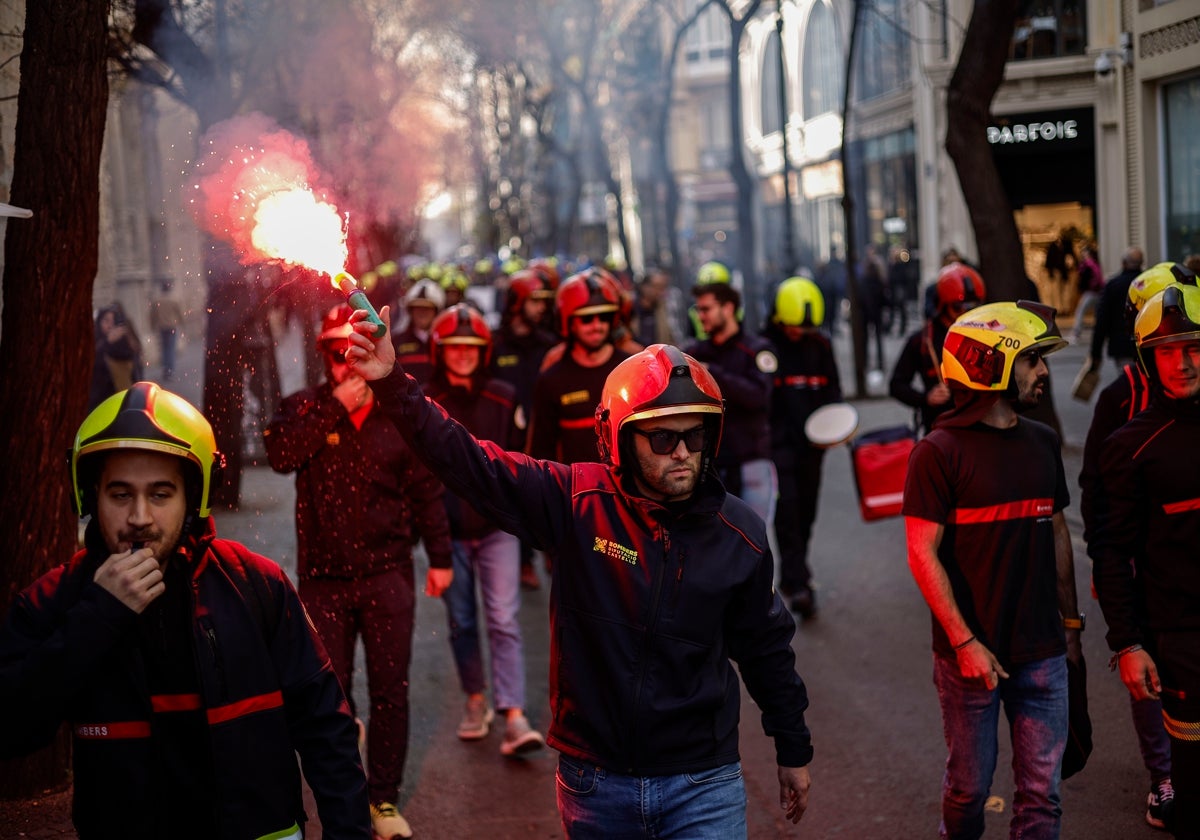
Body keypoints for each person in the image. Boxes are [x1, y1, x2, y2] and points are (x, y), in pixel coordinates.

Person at [347, 317, 814, 836]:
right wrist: (391, 381)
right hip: (596, 782)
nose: (682, 452)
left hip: (703, 783)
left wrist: (793, 748)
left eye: (694, 435)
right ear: (622, 437)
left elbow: (767, 649)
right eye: (661, 437)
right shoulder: (575, 502)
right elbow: (470, 461)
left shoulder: (740, 532)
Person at [0, 382, 369, 839]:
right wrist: (97, 617)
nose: (139, 517)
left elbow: (326, 730)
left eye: (160, 494)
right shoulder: (57, 599)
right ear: (91, 496)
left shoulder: (256, 584)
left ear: (193, 498)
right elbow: (11, 729)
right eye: (119, 494)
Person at [264, 305, 454, 840]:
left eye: (356, 351)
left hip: (387, 574)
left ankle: (384, 800)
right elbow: (280, 455)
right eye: (336, 352)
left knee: (391, 688)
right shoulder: (303, 408)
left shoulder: (398, 413)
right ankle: (345, 803)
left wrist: (439, 558)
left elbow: (426, 490)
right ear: (325, 356)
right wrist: (333, 410)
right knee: (331, 692)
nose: (347, 363)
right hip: (323, 578)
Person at [903, 300, 1082, 839]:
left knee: (1040, 796)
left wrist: (1071, 631)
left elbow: (1055, 535)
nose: (1043, 372)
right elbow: (921, 552)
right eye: (1031, 361)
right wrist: (964, 642)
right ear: (993, 367)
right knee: (969, 790)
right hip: (968, 660)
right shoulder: (937, 453)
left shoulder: (1043, 442)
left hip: (1043, 653)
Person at [1080, 264, 1196, 832]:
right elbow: (1099, 506)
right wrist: (1124, 637)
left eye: (1192, 345)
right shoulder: (1123, 412)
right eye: (1168, 349)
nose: (1183, 361)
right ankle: (1164, 778)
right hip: (1164, 607)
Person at [426, 304, 546, 756]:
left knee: (504, 618)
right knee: (461, 622)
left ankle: (513, 714)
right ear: (441, 351)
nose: (462, 356)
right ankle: (475, 700)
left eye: (471, 348)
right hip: (450, 530)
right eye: (454, 348)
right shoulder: (426, 400)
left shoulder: (503, 395)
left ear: (484, 352)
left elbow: (522, 459)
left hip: (497, 529)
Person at [763, 277, 840, 619]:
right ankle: (798, 583)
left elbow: (833, 394)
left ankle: (796, 574)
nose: (799, 333)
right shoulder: (766, 348)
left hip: (813, 448)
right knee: (788, 514)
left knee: (806, 513)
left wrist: (838, 425)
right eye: (794, 328)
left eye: (804, 329)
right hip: (778, 448)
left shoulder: (820, 346)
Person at [684, 281, 778, 528]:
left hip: (750, 462)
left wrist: (712, 374)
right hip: (710, 467)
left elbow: (758, 396)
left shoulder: (757, 350)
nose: (700, 316)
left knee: (753, 542)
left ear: (728, 308)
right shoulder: (694, 352)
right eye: (698, 309)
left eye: (706, 309)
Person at [491, 269, 560, 589]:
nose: (541, 308)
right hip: (507, 439)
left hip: (544, 434)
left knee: (552, 493)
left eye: (544, 302)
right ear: (517, 302)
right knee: (517, 499)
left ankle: (551, 549)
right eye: (534, 301)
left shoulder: (549, 345)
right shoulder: (496, 345)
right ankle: (523, 561)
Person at [527, 268, 630, 464]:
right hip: (575, 491)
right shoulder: (551, 380)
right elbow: (541, 452)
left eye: (604, 317)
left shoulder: (630, 370)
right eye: (586, 319)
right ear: (569, 322)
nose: (597, 326)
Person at [889, 263, 986, 436]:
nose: (965, 313)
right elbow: (896, 385)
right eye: (958, 307)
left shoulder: (983, 335)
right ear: (943, 305)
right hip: (939, 430)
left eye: (971, 308)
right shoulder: (922, 340)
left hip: (979, 427)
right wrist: (925, 398)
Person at [1088, 247, 1145, 375]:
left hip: (1122, 346)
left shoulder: (1113, 285)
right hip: (1146, 344)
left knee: (1129, 383)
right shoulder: (1149, 283)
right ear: (1141, 263)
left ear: (1123, 263)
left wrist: (1095, 353)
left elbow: (1102, 320)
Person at [89, 302, 144, 410]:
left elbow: (134, 364)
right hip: (101, 403)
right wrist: (107, 342)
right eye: (106, 321)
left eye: (113, 321)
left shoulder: (124, 343)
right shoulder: (95, 343)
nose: (110, 325)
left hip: (124, 400)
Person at [391, 278, 445, 386]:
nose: (422, 313)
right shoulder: (395, 342)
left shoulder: (445, 342)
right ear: (410, 311)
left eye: (427, 308)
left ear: (436, 311)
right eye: (418, 308)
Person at [148, 280, 185, 382]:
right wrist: (182, 323)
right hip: (172, 326)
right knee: (171, 348)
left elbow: (152, 315)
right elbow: (180, 314)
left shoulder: (157, 301)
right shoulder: (174, 300)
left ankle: (165, 368)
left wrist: (152, 326)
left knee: (164, 348)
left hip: (161, 327)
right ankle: (170, 370)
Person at [1070, 244, 1105, 342]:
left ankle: (1077, 332)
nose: (1083, 254)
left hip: (1091, 292)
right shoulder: (1095, 263)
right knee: (1098, 312)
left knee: (1080, 311)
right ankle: (1103, 331)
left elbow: (1091, 278)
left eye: (1084, 252)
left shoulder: (1088, 264)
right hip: (1097, 292)